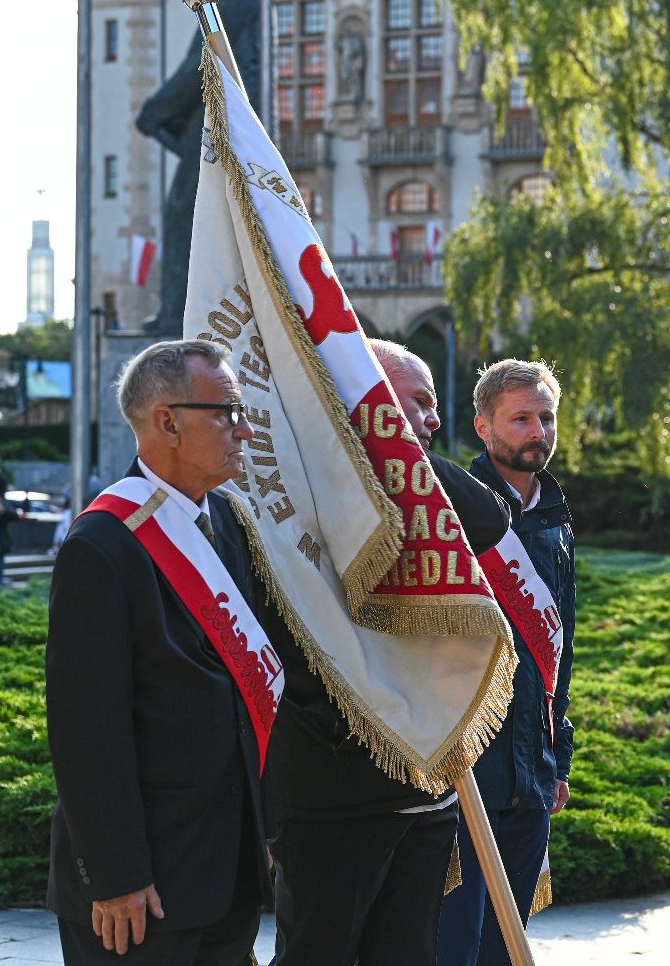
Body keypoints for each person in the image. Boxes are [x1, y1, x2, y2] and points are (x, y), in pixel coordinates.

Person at [262, 339, 514, 966]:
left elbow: (489, 518)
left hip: (425, 784)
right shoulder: (303, 487)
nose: (432, 420)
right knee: (321, 953)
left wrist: (400, 441)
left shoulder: (420, 487)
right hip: (335, 793)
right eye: (419, 404)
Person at [45, 339, 276, 964]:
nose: (243, 429)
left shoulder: (228, 522)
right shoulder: (102, 545)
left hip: (228, 871)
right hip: (142, 886)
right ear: (166, 422)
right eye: (226, 412)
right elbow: (86, 727)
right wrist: (115, 873)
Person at [440, 358, 576, 966]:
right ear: (483, 426)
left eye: (545, 418)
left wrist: (558, 760)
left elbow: (560, 649)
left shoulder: (554, 515)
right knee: (456, 947)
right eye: (520, 419)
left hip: (532, 770)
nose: (537, 432)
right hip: (468, 766)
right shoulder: (448, 508)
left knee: (507, 947)